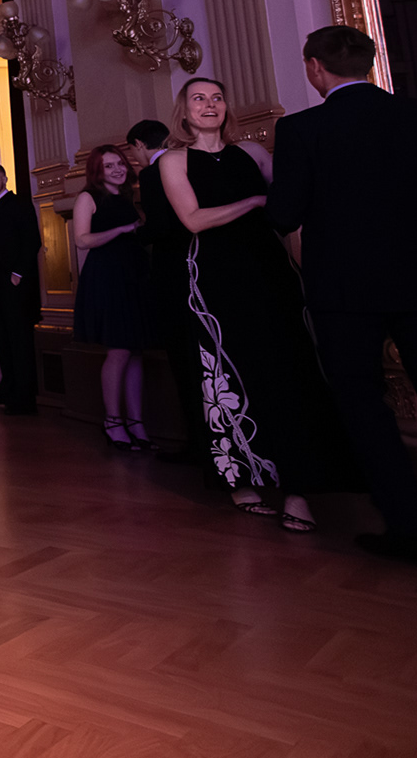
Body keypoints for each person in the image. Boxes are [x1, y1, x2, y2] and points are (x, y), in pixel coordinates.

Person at [267, 26, 417, 563]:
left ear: (314, 67)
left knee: (364, 407)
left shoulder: (303, 128)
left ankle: (413, 530)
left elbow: (284, 214)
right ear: (369, 64)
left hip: (345, 291)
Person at [159, 76, 357, 531]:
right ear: (184, 111)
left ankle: (299, 490)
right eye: (199, 99)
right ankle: (238, 479)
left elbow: (289, 211)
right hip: (211, 279)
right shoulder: (173, 160)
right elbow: (193, 219)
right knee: (227, 375)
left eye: (217, 98)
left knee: (288, 370)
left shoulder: (253, 153)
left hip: (267, 269)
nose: (210, 105)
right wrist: (251, 200)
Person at [126, 119, 207, 466]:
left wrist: (136, 235)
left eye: (132, 151)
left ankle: (198, 443)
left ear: (139, 144)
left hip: (174, 274)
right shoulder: (192, 163)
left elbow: (162, 227)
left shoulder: (152, 174)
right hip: (203, 267)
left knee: (183, 359)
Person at [72, 144, 152, 451]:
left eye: (120, 163)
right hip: (107, 277)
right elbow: (82, 240)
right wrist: (120, 230)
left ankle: (136, 423)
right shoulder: (87, 197)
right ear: (97, 170)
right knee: (119, 350)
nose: (118, 169)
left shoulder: (129, 195)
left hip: (134, 274)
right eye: (109, 165)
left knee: (135, 351)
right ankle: (113, 421)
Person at [0, 164, 42, 414]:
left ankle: (23, 398)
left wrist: (17, 274)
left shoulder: (18, 204)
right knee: (3, 338)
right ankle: (7, 389)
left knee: (19, 340)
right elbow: (3, 245)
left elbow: (32, 241)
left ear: (4, 179)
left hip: (15, 286)